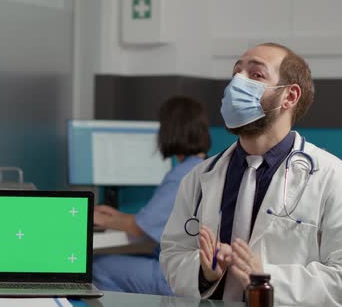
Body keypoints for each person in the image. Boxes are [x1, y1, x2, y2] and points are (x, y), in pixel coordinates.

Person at [160, 43, 342, 305]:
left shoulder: (332, 178)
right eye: (236, 73)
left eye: (255, 75)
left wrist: (265, 279)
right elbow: (173, 255)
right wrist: (204, 274)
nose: (237, 83)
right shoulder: (200, 178)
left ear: (289, 96)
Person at [92, 96, 211, 295]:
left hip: (178, 276)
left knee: (98, 266)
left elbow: (140, 227)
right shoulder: (205, 166)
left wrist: (97, 218)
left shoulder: (181, 176)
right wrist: (116, 216)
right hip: (193, 269)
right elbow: (150, 221)